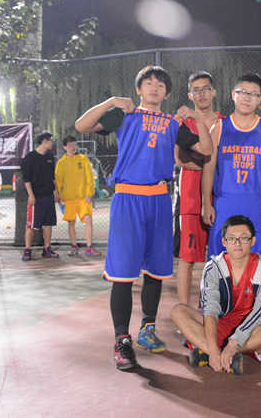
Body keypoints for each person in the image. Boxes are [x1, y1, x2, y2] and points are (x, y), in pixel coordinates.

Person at [74, 65, 212, 370]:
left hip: (160, 200)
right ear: (138, 89)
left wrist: (197, 117)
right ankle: (121, 339)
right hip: (128, 198)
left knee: (156, 270)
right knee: (123, 273)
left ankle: (147, 329)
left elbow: (205, 148)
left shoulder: (173, 123)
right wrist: (111, 101)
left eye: (160, 84)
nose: (154, 87)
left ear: (167, 93)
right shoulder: (124, 115)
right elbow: (82, 125)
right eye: (148, 83)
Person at [170, 215, 261, 375]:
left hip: (251, 329)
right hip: (221, 324)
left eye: (244, 238)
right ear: (224, 242)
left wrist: (233, 344)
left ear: (253, 241)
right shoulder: (213, 267)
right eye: (232, 238)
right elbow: (210, 309)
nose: (237, 243)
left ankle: (221, 352)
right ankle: (218, 353)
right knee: (178, 311)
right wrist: (213, 349)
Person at [202, 73, 261, 260]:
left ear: (259, 99)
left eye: (253, 94)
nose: (247, 97)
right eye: (243, 92)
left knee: (259, 264)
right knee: (221, 264)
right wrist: (206, 203)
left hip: (258, 205)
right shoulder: (219, 128)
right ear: (233, 94)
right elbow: (209, 169)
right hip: (225, 205)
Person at [174, 71, 224, 306]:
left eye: (206, 89)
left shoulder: (225, 122)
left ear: (214, 92)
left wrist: (206, 164)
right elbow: (180, 160)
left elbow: (222, 161)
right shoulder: (183, 123)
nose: (202, 94)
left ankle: (215, 308)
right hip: (191, 200)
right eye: (196, 90)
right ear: (189, 95)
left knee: (220, 258)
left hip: (221, 197)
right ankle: (184, 310)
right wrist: (208, 164)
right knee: (187, 257)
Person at [55, 136, 100, 256]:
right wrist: (59, 198)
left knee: (88, 220)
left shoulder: (83, 159)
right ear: (65, 147)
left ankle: (89, 247)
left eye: (74, 144)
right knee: (71, 223)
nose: (73, 147)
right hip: (68, 199)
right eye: (70, 145)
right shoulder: (61, 163)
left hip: (83, 198)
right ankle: (74, 247)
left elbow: (89, 177)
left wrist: (89, 194)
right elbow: (58, 182)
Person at [21, 132, 60, 261]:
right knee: (31, 225)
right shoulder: (30, 158)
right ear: (44, 142)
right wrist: (31, 195)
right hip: (36, 197)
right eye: (50, 141)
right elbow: (26, 179)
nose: (52, 143)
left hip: (48, 195)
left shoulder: (50, 157)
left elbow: (52, 177)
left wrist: (55, 192)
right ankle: (27, 250)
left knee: (48, 224)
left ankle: (47, 249)